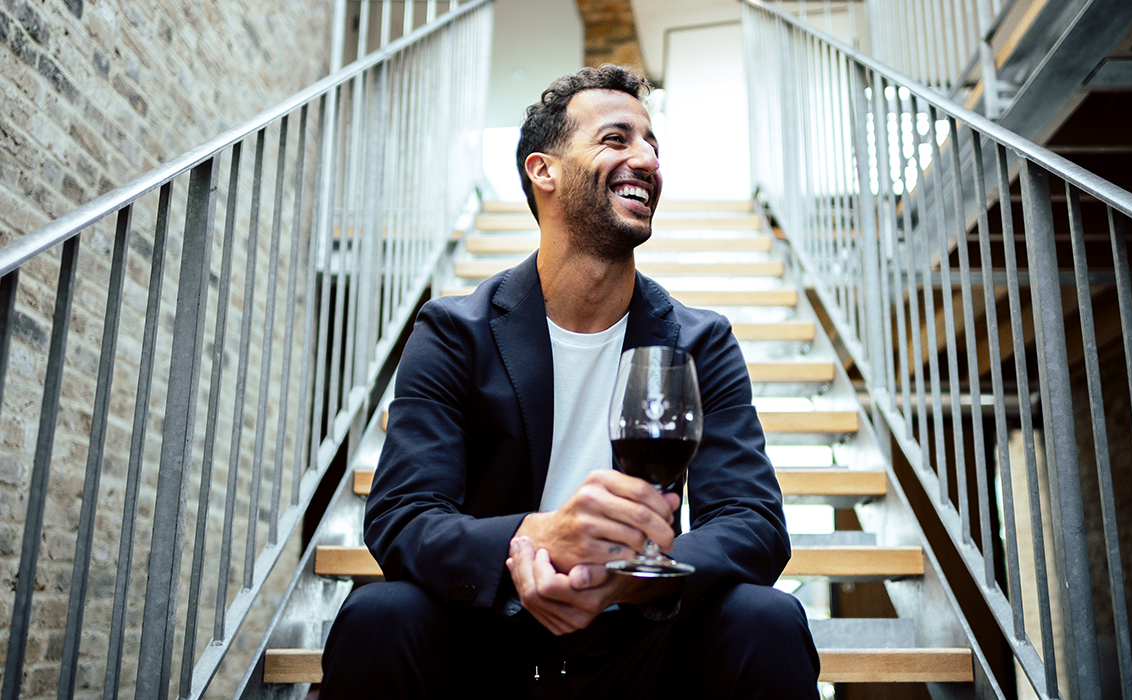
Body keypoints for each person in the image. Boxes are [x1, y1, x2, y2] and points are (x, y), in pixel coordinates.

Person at [319, 65, 820, 699]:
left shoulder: (700, 341)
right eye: (617, 139)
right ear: (544, 171)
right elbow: (403, 516)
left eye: (652, 145)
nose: (646, 159)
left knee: (765, 618)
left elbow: (751, 522)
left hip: (643, 649)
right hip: (489, 642)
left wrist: (629, 578)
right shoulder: (453, 331)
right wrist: (534, 539)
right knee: (380, 614)